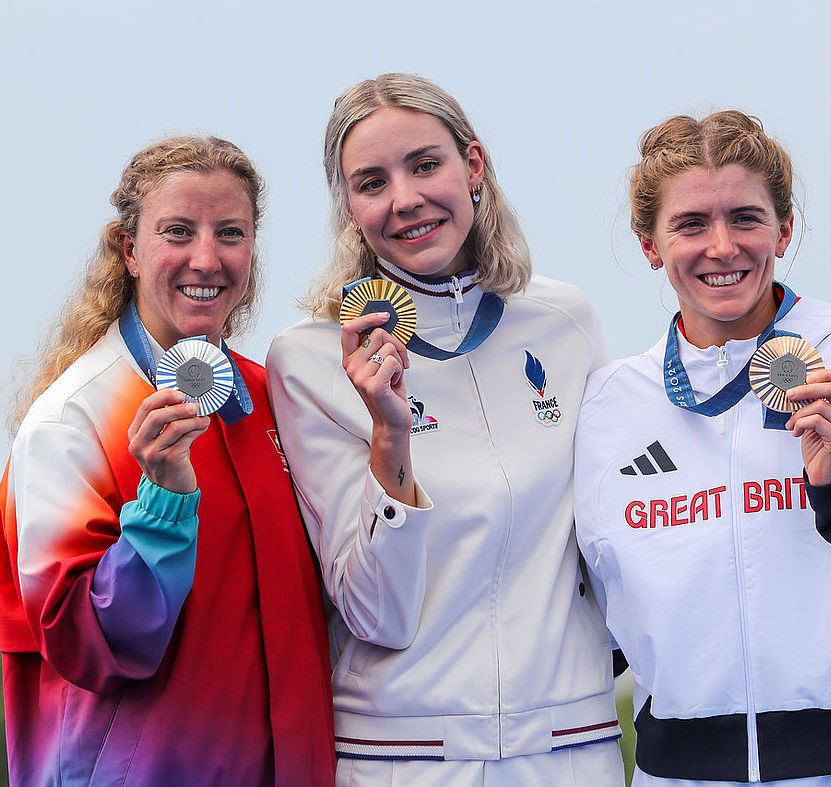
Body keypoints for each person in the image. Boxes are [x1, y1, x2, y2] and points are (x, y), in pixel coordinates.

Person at [574, 110, 831, 785]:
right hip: (676, 772)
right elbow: (595, 623)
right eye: (690, 224)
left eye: (746, 217)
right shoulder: (609, 402)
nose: (722, 246)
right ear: (650, 244)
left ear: (784, 230)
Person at [265, 73, 625, 785]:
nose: (405, 199)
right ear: (349, 207)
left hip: (571, 746)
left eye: (426, 164)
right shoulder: (308, 359)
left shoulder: (565, 321)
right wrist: (389, 440)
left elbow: (613, 540)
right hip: (402, 758)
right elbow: (378, 613)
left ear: (475, 166)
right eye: (372, 181)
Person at [0, 136, 336, 786]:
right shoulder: (74, 419)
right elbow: (87, 644)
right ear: (129, 249)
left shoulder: (272, 401)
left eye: (230, 232)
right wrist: (164, 501)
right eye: (178, 230)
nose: (205, 258)